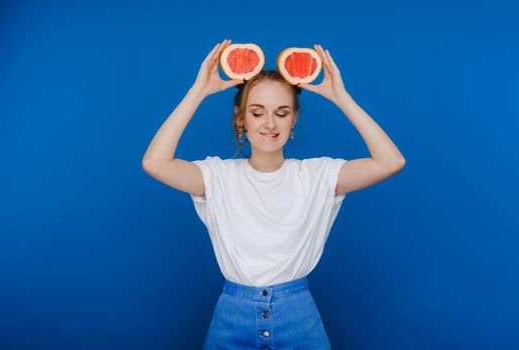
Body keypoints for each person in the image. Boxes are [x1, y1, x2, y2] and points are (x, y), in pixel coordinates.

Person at [142, 38, 406, 349]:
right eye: (257, 113)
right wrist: (198, 90)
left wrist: (341, 97)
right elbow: (154, 163)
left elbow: (391, 161)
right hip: (231, 318)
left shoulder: (318, 175)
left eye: (281, 113)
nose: (270, 123)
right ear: (241, 120)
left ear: (294, 119)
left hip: (299, 319)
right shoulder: (216, 176)